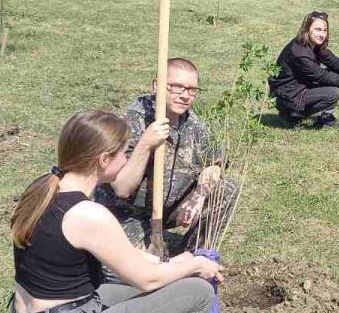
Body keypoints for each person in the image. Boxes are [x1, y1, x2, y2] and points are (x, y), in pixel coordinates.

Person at [7, 110, 223, 313]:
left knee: (125, 291)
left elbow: (127, 258)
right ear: (104, 159)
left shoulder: (44, 191)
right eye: (124, 151)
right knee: (196, 293)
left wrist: (171, 264)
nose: (126, 157)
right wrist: (192, 264)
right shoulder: (89, 215)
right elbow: (147, 280)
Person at [97, 57, 238, 253]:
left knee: (227, 188)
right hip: (124, 215)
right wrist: (146, 144)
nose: (185, 95)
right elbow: (122, 188)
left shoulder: (193, 124)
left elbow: (215, 163)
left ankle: (192, 255)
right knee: (141, 271)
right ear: (156, 86)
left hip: (167, 211)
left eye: (192, 89)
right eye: (177, 87)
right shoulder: (129, 123)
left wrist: (199, 195)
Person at [269, 11, 339, 128]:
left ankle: (326, 118)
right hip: (288, 94)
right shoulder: (299, 52)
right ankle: (291, 115)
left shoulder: (314, 44)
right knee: (333, 93)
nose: (322, 34)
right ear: (307, 29)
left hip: (300, 85)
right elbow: (321, 76)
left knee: (337, 74)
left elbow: (332, 61)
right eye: (318, 29)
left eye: (325, 30)